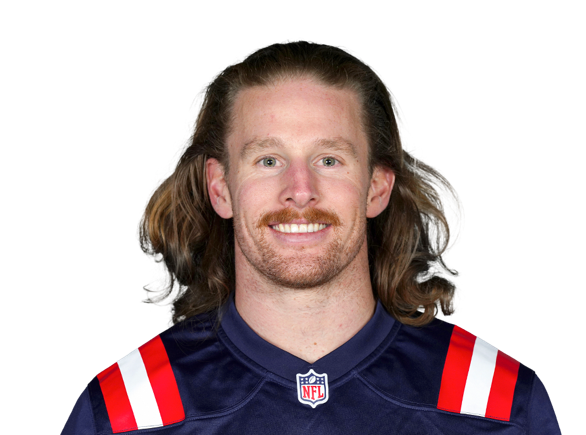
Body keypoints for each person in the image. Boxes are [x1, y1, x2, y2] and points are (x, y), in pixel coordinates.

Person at [63, 40, 560, 434]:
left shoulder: (498, 403)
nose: (300, 191)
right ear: (220, 188)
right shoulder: (125, 410)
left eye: (328, 159)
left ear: (377, 187)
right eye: (268, 160)